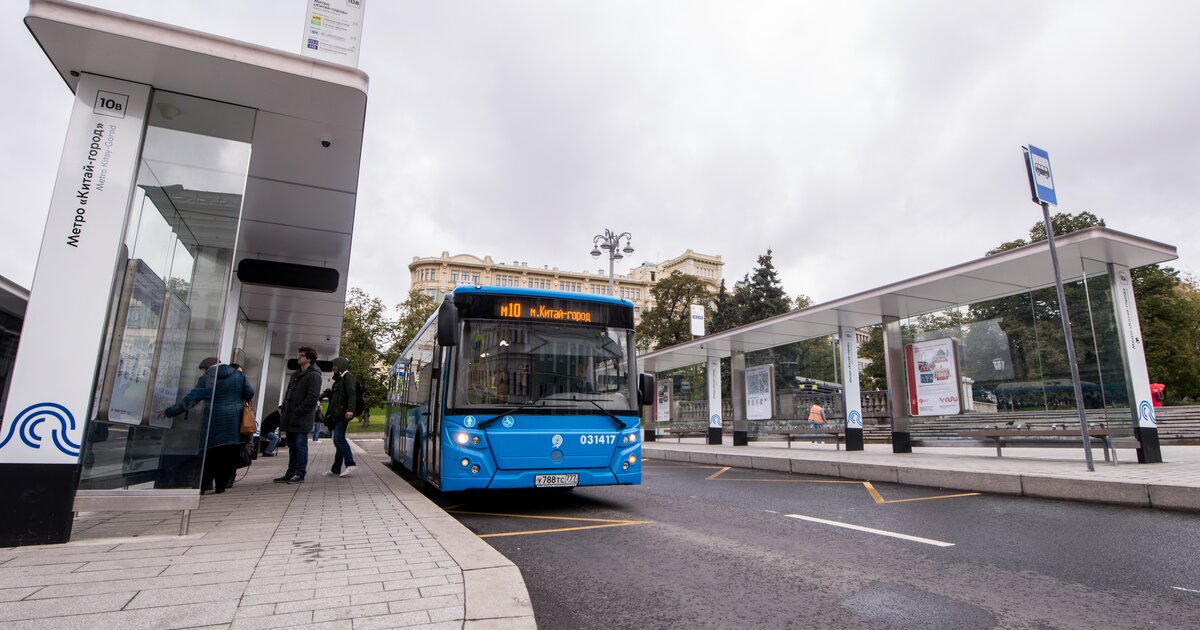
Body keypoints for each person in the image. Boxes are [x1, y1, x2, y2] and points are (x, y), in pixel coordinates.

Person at [163, 357, 254, 494]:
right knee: (228, 455)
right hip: (234, 420)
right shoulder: (238, 375)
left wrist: (169, 412)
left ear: (207, 368)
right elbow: (249, 392)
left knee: (210, 455)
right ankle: (221, 486)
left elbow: (191, 400)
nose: (204, 372)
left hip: (213, 421)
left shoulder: (207, 378)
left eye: (204, 370)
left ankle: (204, 485)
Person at [275, 346, 322, 484]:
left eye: (301, 355)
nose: (298, 357)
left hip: (301, 417)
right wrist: (283, 407)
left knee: (300, 445)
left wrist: (298, 410)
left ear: (309, 358)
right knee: (292, 446)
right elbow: (288, 393)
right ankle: (290, 472)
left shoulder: (313, 375)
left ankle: (300, 473)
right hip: (290, 416)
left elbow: (312, 397)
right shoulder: (296, 374)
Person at [322, 356, 358, 478]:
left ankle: (350, 464)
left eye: (335, 365)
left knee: (339, 439)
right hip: (337, 414)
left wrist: (350, 410)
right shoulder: (339, 379)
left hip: (343, 414)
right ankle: (336, 468)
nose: (333, 368)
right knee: (337, 441)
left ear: (341, 366)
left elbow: (351, 394)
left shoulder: (348, 377)